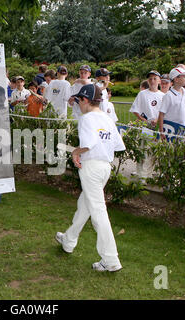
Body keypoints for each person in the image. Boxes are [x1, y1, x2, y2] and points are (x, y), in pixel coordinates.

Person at [55, 83, 125, 272]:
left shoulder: (87, 119)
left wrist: (75, 153)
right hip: (104, 168)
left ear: (85, 100)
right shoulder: (107, 118)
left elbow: (88, 143)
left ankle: (110, 259)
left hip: (92, 168)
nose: (77, 104)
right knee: (85, 205)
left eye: (78, 100)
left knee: (98, 212)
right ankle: (68, 240)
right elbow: (119, 145)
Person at [129, 71, 165, 178]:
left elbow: (164, 112)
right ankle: (141, 174)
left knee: (155, 150)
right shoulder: (142, 94)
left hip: (158, 127)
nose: (152, 81)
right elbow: (135, 110)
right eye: (150, 79)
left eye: (155, 79)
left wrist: (158, 120)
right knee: (143, 149)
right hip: (146, 127)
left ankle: (150, 173)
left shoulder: (163, 96)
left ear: (159, 80)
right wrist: (144, 120)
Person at [158, 66, 185, 140]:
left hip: (184, 130)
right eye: (184, 76)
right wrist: (161, 131)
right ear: (176, 79)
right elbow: (161, 114)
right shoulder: (168, 95)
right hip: (171, 130)